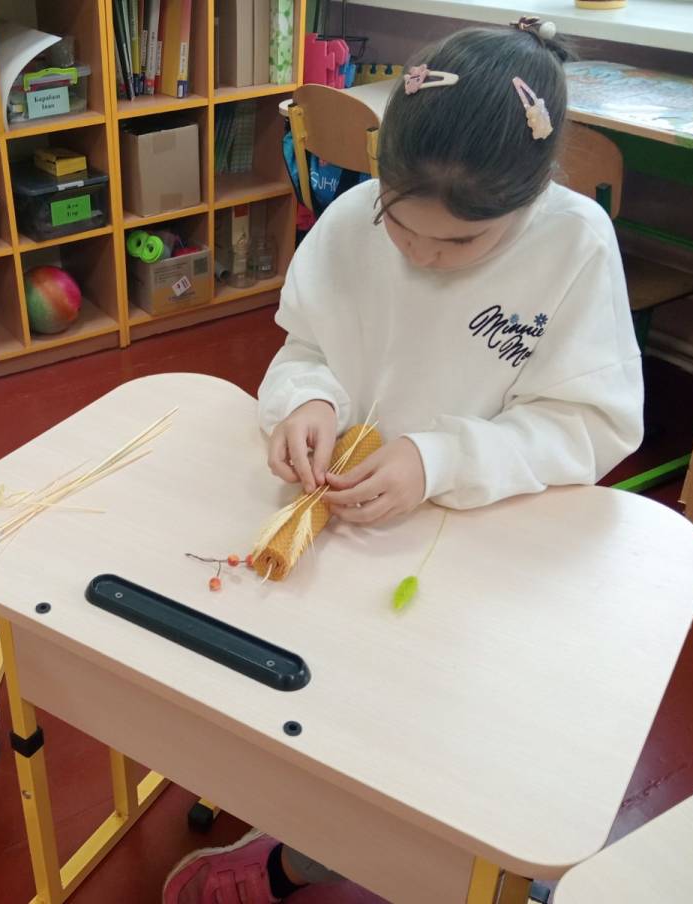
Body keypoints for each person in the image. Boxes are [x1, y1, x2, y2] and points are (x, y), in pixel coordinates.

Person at [165, 19, 643, 904]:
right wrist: (307, 400)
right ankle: (313, 838)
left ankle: (450, 865)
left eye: (461, 244)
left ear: (531, 198)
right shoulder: (353, 220)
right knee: (326, 698)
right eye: (401, 222)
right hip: (350, 527)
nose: (422, 253)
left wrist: (439, 458)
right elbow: (307, 345)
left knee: (442, 728)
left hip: (479, 540)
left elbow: (590, 424)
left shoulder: (574, 245)